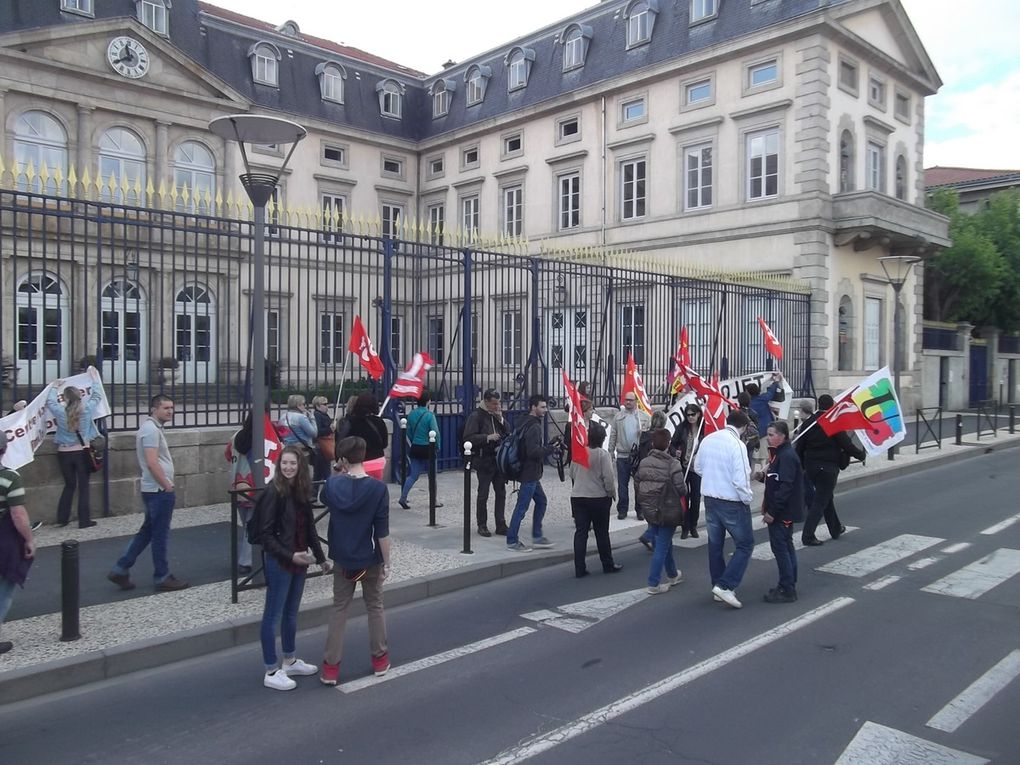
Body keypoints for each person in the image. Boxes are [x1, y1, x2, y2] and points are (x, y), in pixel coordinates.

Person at [253, 445, 331, 691]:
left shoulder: (300, 491)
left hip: (298, 559)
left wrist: (320, 557)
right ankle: (271, 669)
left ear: (300, 467)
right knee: (273, 615)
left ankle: (289, 659)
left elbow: (308, 528)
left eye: (292, 464)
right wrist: (291, 555)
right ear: (278, 465)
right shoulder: (273, 492)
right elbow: (265, 535)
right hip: (281, 561)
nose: (288, 467)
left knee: (290, 613)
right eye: (284, 463)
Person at [320, 436, 391, 686]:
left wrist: (337, 473)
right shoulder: (378, 489)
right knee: (375, 606)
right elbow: (381, 531)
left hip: (343, 558)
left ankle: (330, 668)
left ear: (342, 459)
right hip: (368, 559)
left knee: (339, 608)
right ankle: (380, 660)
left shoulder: (332, 485)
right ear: (364, 456)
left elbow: (324, 499)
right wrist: (387, 561)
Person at [107, 395, 189, 592]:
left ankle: (121, 568)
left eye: (171, 407)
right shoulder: (151, 430)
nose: (170, 411)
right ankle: (162, 576)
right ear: (155, 409)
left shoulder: (152, 428)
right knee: (159, 535)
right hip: (158, 490)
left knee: (147, 533)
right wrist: (166, 485)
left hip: (155, 489)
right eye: (165, 408)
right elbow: (152, 462)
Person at [695, 409, 754, 609]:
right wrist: (747, 499)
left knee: (715, 545)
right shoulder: (737, 445)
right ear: (744, 427)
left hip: (710, 499)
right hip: (731, 501)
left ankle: (717, 585)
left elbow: (698, 467)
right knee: (745, 544)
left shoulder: (708, 439)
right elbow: (740, 479)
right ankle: (725, 585)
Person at [796, 394, 866, 546]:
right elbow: (847, 445)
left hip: (811, 468)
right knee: (820, 501)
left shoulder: (809, 422)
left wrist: (801, 466)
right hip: (827, 468)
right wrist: (861, 455)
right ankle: (808, 536)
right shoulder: (832, 422)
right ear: (832, 406)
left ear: (818, 405)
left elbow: (799, 447)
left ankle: (835, 528)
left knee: (826, 497)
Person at [226, 408, 281, 576]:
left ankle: (249, 559)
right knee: (253, 527)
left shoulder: (236, 436)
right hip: (257, 487)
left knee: (247, 525)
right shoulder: (265, 438)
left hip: (238, 485)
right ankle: (247, 561)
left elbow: (228, 455)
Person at [46, 371, 104, 528]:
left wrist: (54, 386)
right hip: (81, 452)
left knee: (69, 485)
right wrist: (94, 379)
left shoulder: (60, 411)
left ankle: (63, 518)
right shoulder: (86, 411)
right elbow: (97, 397)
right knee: (84, 486)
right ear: (80, 396)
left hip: (63, 453)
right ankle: (84, 520)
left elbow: (50, 402)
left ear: (64, 398)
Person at [756, 421, 804, 603]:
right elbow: (776, 481)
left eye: (771, 434)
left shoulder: (786, 456)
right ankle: (789, 582)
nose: (768, 438)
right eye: (768, 434)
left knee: (781, 548)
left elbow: (785, 487)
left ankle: (787, 588)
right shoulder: (779, 455)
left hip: (783, 512)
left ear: (783, 436)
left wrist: (772, 512)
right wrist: (762, 478)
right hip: (783, 510)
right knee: (786, 546)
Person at [635, 428, 687, 594]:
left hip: (649, 508)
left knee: (664, 543)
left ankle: (672, 574)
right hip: (666, 509)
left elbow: (637, 483)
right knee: (662, 546)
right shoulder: (673, 464)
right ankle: (653, 583)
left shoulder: (644, 462)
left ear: (652, 444)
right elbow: (682, 490)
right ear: (668, 444)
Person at [569, 422, 621, 578]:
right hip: (598, 497)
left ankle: (579, 568)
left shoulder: (579, 453)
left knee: (581, 533)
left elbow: (572, 473)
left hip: (578, 496)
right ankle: (607, 564)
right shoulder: (602, 455)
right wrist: (611, 493)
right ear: (602, 439)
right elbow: (609, 478)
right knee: (601, 533)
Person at [506, 394, 557, 552]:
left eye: (545, 406)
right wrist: (550, 448)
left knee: (541, 501)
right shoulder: (534, 426)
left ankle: (537, 536)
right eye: (542, 407)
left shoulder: (523, 422)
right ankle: (512, 541)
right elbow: (533, 451)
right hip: (530, 473)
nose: (545, 410)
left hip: (529, 472)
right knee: (521, 508)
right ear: (533, 407)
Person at [0, 431, 35, 655]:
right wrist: (29, 539)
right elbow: (18, 514)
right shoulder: (10, 477)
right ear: (4, 449)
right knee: (3, 589)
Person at [463, 389, 510, 536]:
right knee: (483, 493)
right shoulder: (476, 416)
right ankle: (481, 524)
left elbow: (508, 432)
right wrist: (487, 437)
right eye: (494, 404)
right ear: (487, 402)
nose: (497, 406)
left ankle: (500, 523)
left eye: (498, 403)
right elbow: (468, 438)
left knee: (501, 492)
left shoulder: (497, 415)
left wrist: (501, 419)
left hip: (498, 461)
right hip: (484, 460)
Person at [608, 391, 651, 520]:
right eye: (626, 399)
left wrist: (643, 434)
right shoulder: (618, 417)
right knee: (622, 485)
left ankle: (640, 509)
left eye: (630, 400)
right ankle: (622, 509)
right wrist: (610, 451)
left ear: (636, 401)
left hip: (638, 456)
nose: (628, 402)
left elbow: (650, 437)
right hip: (623, 454)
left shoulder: (643, 417)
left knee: (639, 485)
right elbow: (613, 434)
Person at [398, 391, 441, 510]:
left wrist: (414, 440)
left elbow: (409, 432)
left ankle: (403, 497)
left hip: (416, 447)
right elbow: (435, 432)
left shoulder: (411, 414)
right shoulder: (429, 415)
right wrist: (437, 445)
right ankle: (434, 500)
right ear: (428, 401)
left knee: (413, 475)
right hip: (428, 447)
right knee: (432, 476)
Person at [669, 403, 704, 540]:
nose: (690, 417)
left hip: (697, 469)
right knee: (684, 498)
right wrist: (675, 451)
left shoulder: (703, 428)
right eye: (688, 415)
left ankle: (693, 526)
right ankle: (685, 526)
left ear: (698, 414)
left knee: (696, 499)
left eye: (692, 414)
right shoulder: (682, 427)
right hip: (684, 467)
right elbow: (672, 443)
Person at [336, 393, 389, 480]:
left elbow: (342, 442)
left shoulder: (351, 422)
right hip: (377, 461)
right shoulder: (379, 421)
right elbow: (384, 444)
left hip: (357, 463)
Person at [636, 410, 668, 551]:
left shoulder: (643, 436)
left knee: (649, 510)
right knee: (658, 512)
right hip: (656, 477)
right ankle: (651, 537)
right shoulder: (658, 438)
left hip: (644, 476)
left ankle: (651, 538)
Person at [310, 396, 334, 486]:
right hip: (321, 446)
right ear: (317, 406)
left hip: (322, 446)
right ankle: (329, 492)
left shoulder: (323, 415)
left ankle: (313, 493)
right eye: (324, 404)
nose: (327, 406)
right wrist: (330, 429)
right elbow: (318, 431)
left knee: (319, 473)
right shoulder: (317, 415)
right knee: (325, 472)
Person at [736, 391, 761, 467]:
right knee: (748, 462)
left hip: (737, 441)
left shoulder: (735, 413)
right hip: (750, 442)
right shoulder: (753, 413)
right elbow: (756, 429)